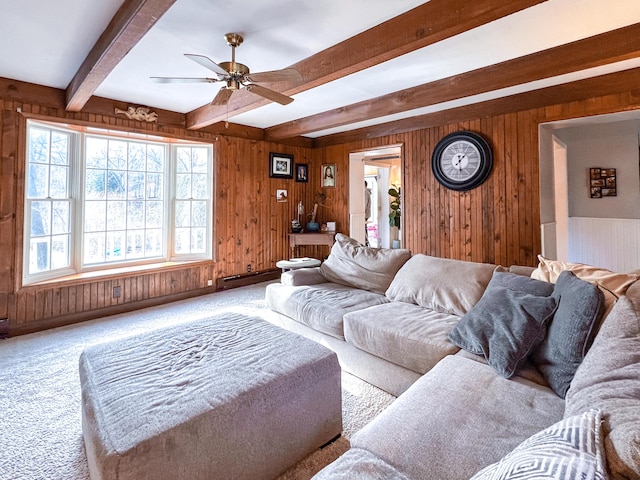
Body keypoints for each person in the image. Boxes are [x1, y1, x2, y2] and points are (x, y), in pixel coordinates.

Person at [364, 181, 372, 246]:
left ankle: (365, 242)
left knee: (364, 228)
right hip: (366, 214)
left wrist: (362, 213)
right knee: (364, 228)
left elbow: (365, 204)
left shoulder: (365, 192)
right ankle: (365, 242)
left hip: (365, 214)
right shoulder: (367, 192)